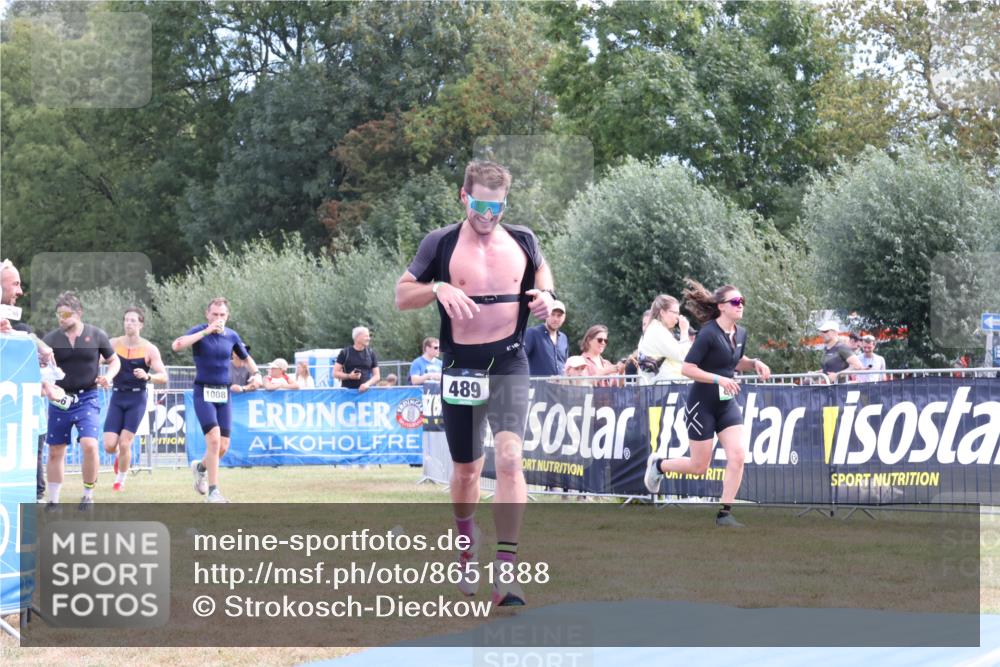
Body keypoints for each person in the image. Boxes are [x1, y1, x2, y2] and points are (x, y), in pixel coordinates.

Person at [395, 159, 556, 607]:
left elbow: (542, 272)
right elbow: (401, 294)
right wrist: (436, 289)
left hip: (508, 360)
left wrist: (547, 295)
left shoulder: (523, 240)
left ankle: (507, 570)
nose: (488, 216)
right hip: (460, 367)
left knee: (509, 460)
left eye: (497, 207)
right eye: (481, 205)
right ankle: (466, 545)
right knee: (466, 471)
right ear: (464, 196)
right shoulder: (440, 243)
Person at [643, 280, 771, 528]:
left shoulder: (740, 333)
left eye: (742, 301)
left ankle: (725, 514)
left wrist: (754, 362)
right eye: (735, 301)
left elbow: (735, 360)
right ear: (722, 307)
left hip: (726, 404)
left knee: (738, 455)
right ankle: (659, 465)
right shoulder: (709, 333)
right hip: (701, 404)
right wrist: (719, 378)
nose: (740, 305)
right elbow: (688, 368)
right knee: (699, 466)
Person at [172, 297, 260, 503]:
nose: (218, 318)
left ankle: (200, 468)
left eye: (222, 315)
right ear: (207, 314)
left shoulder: (231, 335)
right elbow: (176, 346)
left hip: (224, 392)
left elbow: (246, 358)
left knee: (223, 446)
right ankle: (213, 492)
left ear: (227, 316)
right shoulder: (200, 331)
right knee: (213, 439)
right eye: (215, 314)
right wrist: (205, 331)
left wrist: (256, 373)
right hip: (203, 391)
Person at [42, 292, 120, 510]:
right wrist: (48, 386)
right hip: (61, 399)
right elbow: (40, 367)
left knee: (89, 445)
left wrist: (109, 376)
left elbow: (115, 361)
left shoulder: (97, 335)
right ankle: (53, 500)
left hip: (88, 396)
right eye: (58, 314)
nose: (61, 318)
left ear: (79, 313)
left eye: (66, 314)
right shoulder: (51, 339)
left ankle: (87, 495)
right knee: (56, 450)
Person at [2, 259, 57, 500]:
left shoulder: (15, 324)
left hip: (18, 418)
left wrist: (36, 351)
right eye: (15, 284)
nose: (20, 291)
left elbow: (27, 337)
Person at [103, 307, 168, 492]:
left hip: (137, 398)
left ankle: (120, 481)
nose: (129, 323)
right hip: (117, 396)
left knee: (125, 443)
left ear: (141, 324)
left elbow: (163, 376)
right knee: (109, 446)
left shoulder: (149, 348)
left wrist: (148, 377)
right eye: (126, 320)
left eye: (133, 320)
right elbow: (95, 360)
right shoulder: (113, 343)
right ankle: (118, 456)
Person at [637, 294, 691, 382]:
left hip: (664, 387)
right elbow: (683, 355)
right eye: (675, 312)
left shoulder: (658, 329)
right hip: (662, 389)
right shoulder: (657, 331)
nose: (677, 317)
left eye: (678, 313)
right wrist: (684, 331)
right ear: (662, 312)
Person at [524, 300, 569, 377]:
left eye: (559, 315)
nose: (555, 319)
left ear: (564, 318)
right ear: (546, 315)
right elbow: (520, 359)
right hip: (538, 387)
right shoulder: (532, 333)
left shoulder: (563, 338)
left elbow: (565, 365)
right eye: (552, 314)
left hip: (560, 387)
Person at [333, 326, 380, 392]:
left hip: (366, 395)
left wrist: (367, 384)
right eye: (366, 336)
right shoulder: (345, 353)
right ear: (357, 337)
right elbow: (335, 373)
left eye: (369, 336)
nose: (369, 338)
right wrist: (349, 376)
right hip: (347, 395)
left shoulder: (371, 353)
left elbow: (377, 376)